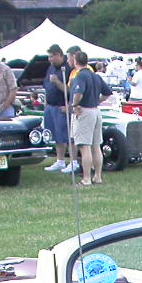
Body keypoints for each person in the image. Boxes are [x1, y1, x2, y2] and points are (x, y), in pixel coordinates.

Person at [68, 50, 105, 186]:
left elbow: (78, 93)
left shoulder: (80, 76)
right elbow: (107, 92)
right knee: (96, 146)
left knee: (85, 146)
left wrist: (74, 104)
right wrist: (97, 100)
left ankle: (86, 178)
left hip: (84, 112)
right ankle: (98, 176)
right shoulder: (95, 76)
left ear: (75, 60)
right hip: (96, 111)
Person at [41, 44, 74, 173]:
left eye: (52, 56)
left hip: (62, 106)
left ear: (59, 55)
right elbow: (46, 86)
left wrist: (57, 82)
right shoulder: (50, 68)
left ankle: (73, 161)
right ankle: (60, 161)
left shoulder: (68, 68)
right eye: (49, 56)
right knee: (55, 135)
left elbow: (70, 90)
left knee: (66, 135)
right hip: (50, 106)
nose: (50, 59)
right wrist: (45, 101)